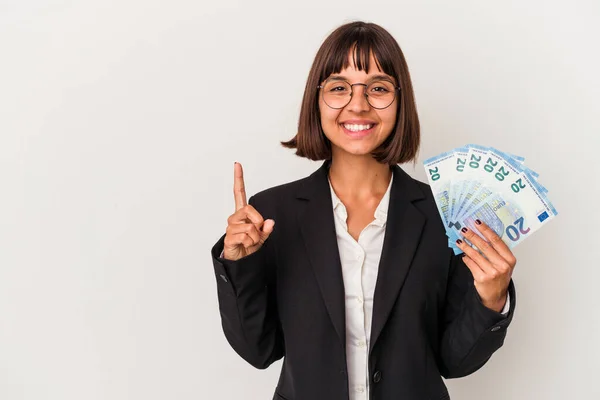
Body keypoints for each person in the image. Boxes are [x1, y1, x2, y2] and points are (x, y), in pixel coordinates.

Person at [210, 20, 516, 400]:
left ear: (399, 101)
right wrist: (239, 264)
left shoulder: (445, 217)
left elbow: (454, 361)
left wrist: (491, 298)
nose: (358, 104)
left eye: (379, 88)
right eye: (339, 88)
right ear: (316, 100)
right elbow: (259, 350)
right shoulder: (272, 215)